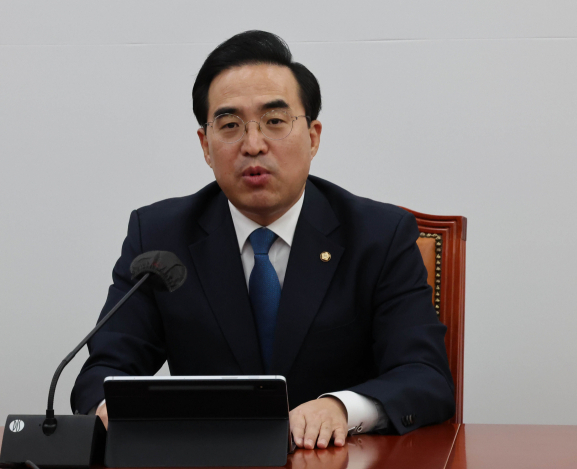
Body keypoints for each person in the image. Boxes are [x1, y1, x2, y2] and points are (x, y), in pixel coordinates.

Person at [71, 30, 454, 449]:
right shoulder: (160, 238)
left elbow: (425, 375)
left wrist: (342, 408)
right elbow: (105, 370)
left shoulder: (378, 235)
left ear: (313, 136)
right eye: (230, 126)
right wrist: (107, 408)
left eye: (274, 122)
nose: (253, 145)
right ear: (205, 145)